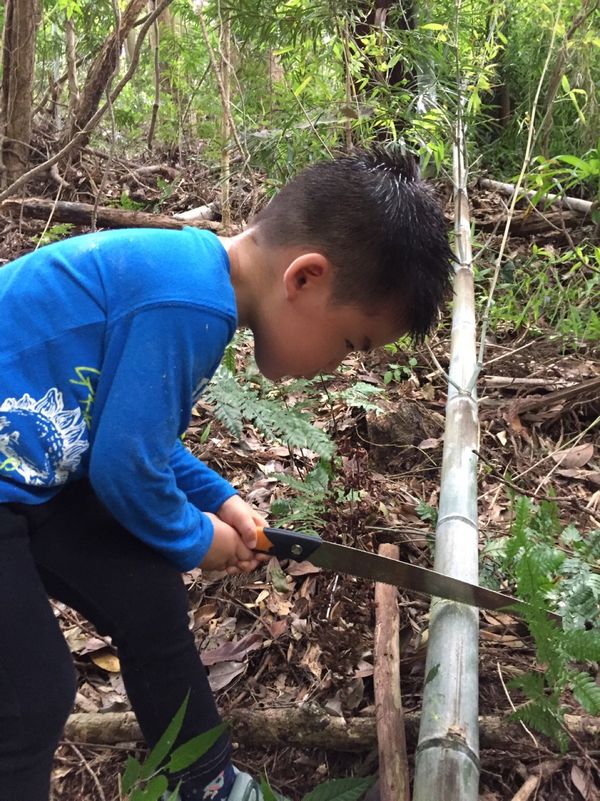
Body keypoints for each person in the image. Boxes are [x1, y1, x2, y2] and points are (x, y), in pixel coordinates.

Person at [0, 146, 453, 801]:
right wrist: (196, 538)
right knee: (30, 694)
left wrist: (224, 500)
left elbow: (132, 435)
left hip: (32, 473)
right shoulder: (190, 303)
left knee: (144, 592)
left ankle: (204, 780)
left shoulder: (190, 283)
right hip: (18, 482)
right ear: (306, 278)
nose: (335, 364)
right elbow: (126, 466)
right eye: (350, 343)